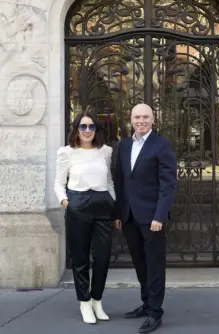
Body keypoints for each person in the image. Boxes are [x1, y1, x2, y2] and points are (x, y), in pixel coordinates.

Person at [115, 103, 177, 333]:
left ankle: (155, 313)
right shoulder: (124, 145)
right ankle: (146, 303)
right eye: (137, 117)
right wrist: (120, 213)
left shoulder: (162, 145)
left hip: (152, 218)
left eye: (145, 117)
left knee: (154, 265)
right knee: (140, 263)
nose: (141, 120)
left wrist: (160, 215)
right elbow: (121, 181)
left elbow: (168, 186)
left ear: (153, 119)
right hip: (130, 217)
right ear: (130, 119)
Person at [54, 108, 115, 324]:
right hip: (78, 204)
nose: (87, 130)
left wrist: (113, 204)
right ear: (77, 129)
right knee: (80, 258)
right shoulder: (66, 152)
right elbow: (59, 183)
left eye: (91, 126)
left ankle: (97, 299)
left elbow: (108, 180)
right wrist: (65, 202)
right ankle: (84, 302)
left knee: (103, 256)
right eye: (83, 126)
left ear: (96, 130)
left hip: (102, 205)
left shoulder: (105, 151)